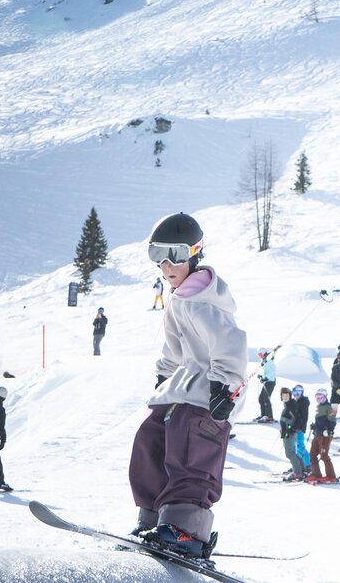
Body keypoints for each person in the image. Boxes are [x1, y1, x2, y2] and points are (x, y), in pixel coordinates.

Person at [129, 212, 249, 558]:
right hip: (183, 387)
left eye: (176, 255)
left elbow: (232, 343)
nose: (167, 265)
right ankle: (154, 518)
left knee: (190, 450)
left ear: (195, 253)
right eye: (158, 255)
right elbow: (173, 349)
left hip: (212, 392)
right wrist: (164, 374)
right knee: (150, 439)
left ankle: (186, 529)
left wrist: (226, 386)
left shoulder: (203, 301)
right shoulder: (180, 298)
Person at [279, 385, 309, 481]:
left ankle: (297, 473)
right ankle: (302, 470)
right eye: (283, 396)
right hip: (287, 431)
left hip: (290, 432)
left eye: (286, 396)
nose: (285, 398)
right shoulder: (289, 404)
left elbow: (298, 419)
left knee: (290, 453)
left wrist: (293, 429)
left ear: (290, 396)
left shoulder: (291, 405)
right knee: (294, 452)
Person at [308, 394, 339, 483]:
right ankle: (316, 474)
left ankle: (331, 476)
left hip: (325, 435)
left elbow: (332, 420)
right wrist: (315, 426)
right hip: (318, 434)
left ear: (325, 397)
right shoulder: (318, 407)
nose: (319, 399)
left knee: (324, 455)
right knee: (312, 454)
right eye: (317, 397)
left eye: (321, 397)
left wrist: (329, 430)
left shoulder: (328, 407)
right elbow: (321, 422)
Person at [254, 350, 277, 423]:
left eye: (260, 354)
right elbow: (266, 372)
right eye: (259, 355)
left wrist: (266, 378)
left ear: (264, 353)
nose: (260, 356)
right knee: (261, 398)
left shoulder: (269, 361)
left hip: (270, 382)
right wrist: (262, 377)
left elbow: (272, 372)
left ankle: (269, 416)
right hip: (267, 382)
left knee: (266, 399)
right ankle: (263, 415)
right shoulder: (265, 361)